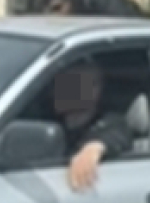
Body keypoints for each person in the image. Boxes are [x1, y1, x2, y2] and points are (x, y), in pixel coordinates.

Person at [51, 57, 135, 192]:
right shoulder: (48, 118)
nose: (61, 89)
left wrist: (93, 148)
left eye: (73, 83)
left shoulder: (109, 121)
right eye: (59, 82)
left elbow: (117, 136)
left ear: (95, 89)